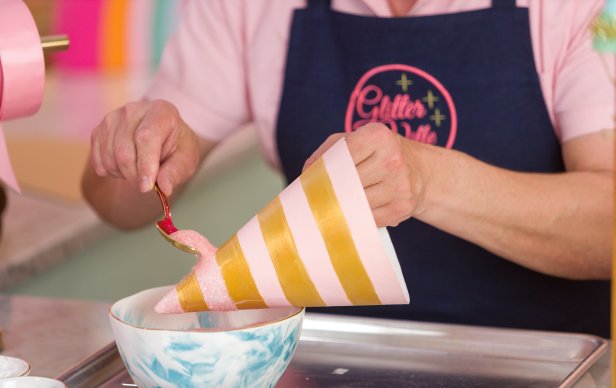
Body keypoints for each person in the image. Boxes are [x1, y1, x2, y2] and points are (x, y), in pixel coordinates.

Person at [81, 0, 614, 337]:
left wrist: (429, 180)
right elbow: (113, 203)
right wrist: (135, 151)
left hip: (547, 369)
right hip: (333, 364)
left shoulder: (582, 10)